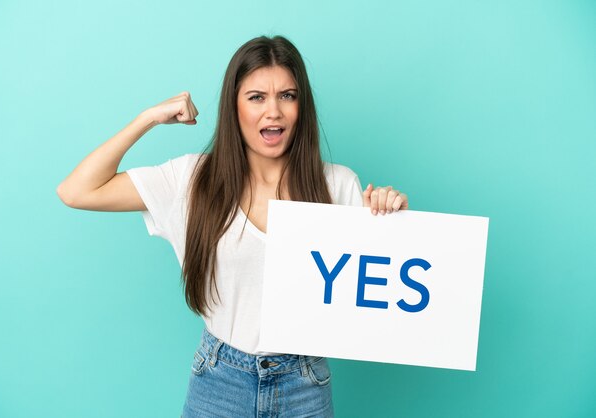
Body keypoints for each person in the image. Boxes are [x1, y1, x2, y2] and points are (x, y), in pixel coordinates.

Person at [57, 35, 408, 418]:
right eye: (256, 97)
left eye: (287, 96)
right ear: (234, 106)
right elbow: (78, 190)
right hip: (219, 380)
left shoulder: (338, 184)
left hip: (304, 383)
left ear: (301, 106)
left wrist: (391, 217)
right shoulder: (191, 179)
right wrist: (148, 119)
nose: (273, 111)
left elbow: (380, 293)